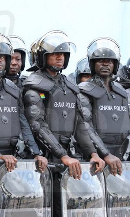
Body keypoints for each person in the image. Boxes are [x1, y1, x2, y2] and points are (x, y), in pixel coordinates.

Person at [22, 30, 105, 216]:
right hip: (43, 162)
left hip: (66, 161)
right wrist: (62, 155)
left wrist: (92, 153)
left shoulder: (69, 86)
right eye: (54, 54)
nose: (60, 57)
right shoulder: (34, 84)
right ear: (42, 57)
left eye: (63, 54)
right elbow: (37, 125)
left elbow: (80, 124)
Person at [0, 33, 48, 176]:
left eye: (2, 57)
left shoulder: (13, 89)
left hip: (13, 159)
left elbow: (23, 122)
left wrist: (36, 153)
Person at [78, 37, 127, 175]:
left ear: (115, 64)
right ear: (92, 64)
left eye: (109, 61)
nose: (105, 64)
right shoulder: (84, 90)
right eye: (100, 61)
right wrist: (105, 154)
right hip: (95, 160)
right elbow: (85, 126)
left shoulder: (122, 93)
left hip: (122, 159)